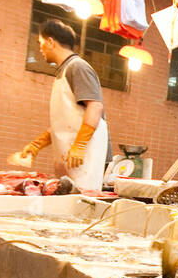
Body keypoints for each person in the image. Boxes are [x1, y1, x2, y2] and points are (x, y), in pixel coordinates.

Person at [15, 19, 109, 192]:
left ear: (50, 42)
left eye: (41, 43)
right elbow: (66, 122)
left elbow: (95, 106)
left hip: (84, 158)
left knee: (79, 204)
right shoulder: (63, 72)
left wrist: (80, 145)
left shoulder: (78, 67)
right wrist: (37, 144)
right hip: (71, 160)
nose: (40, 48)